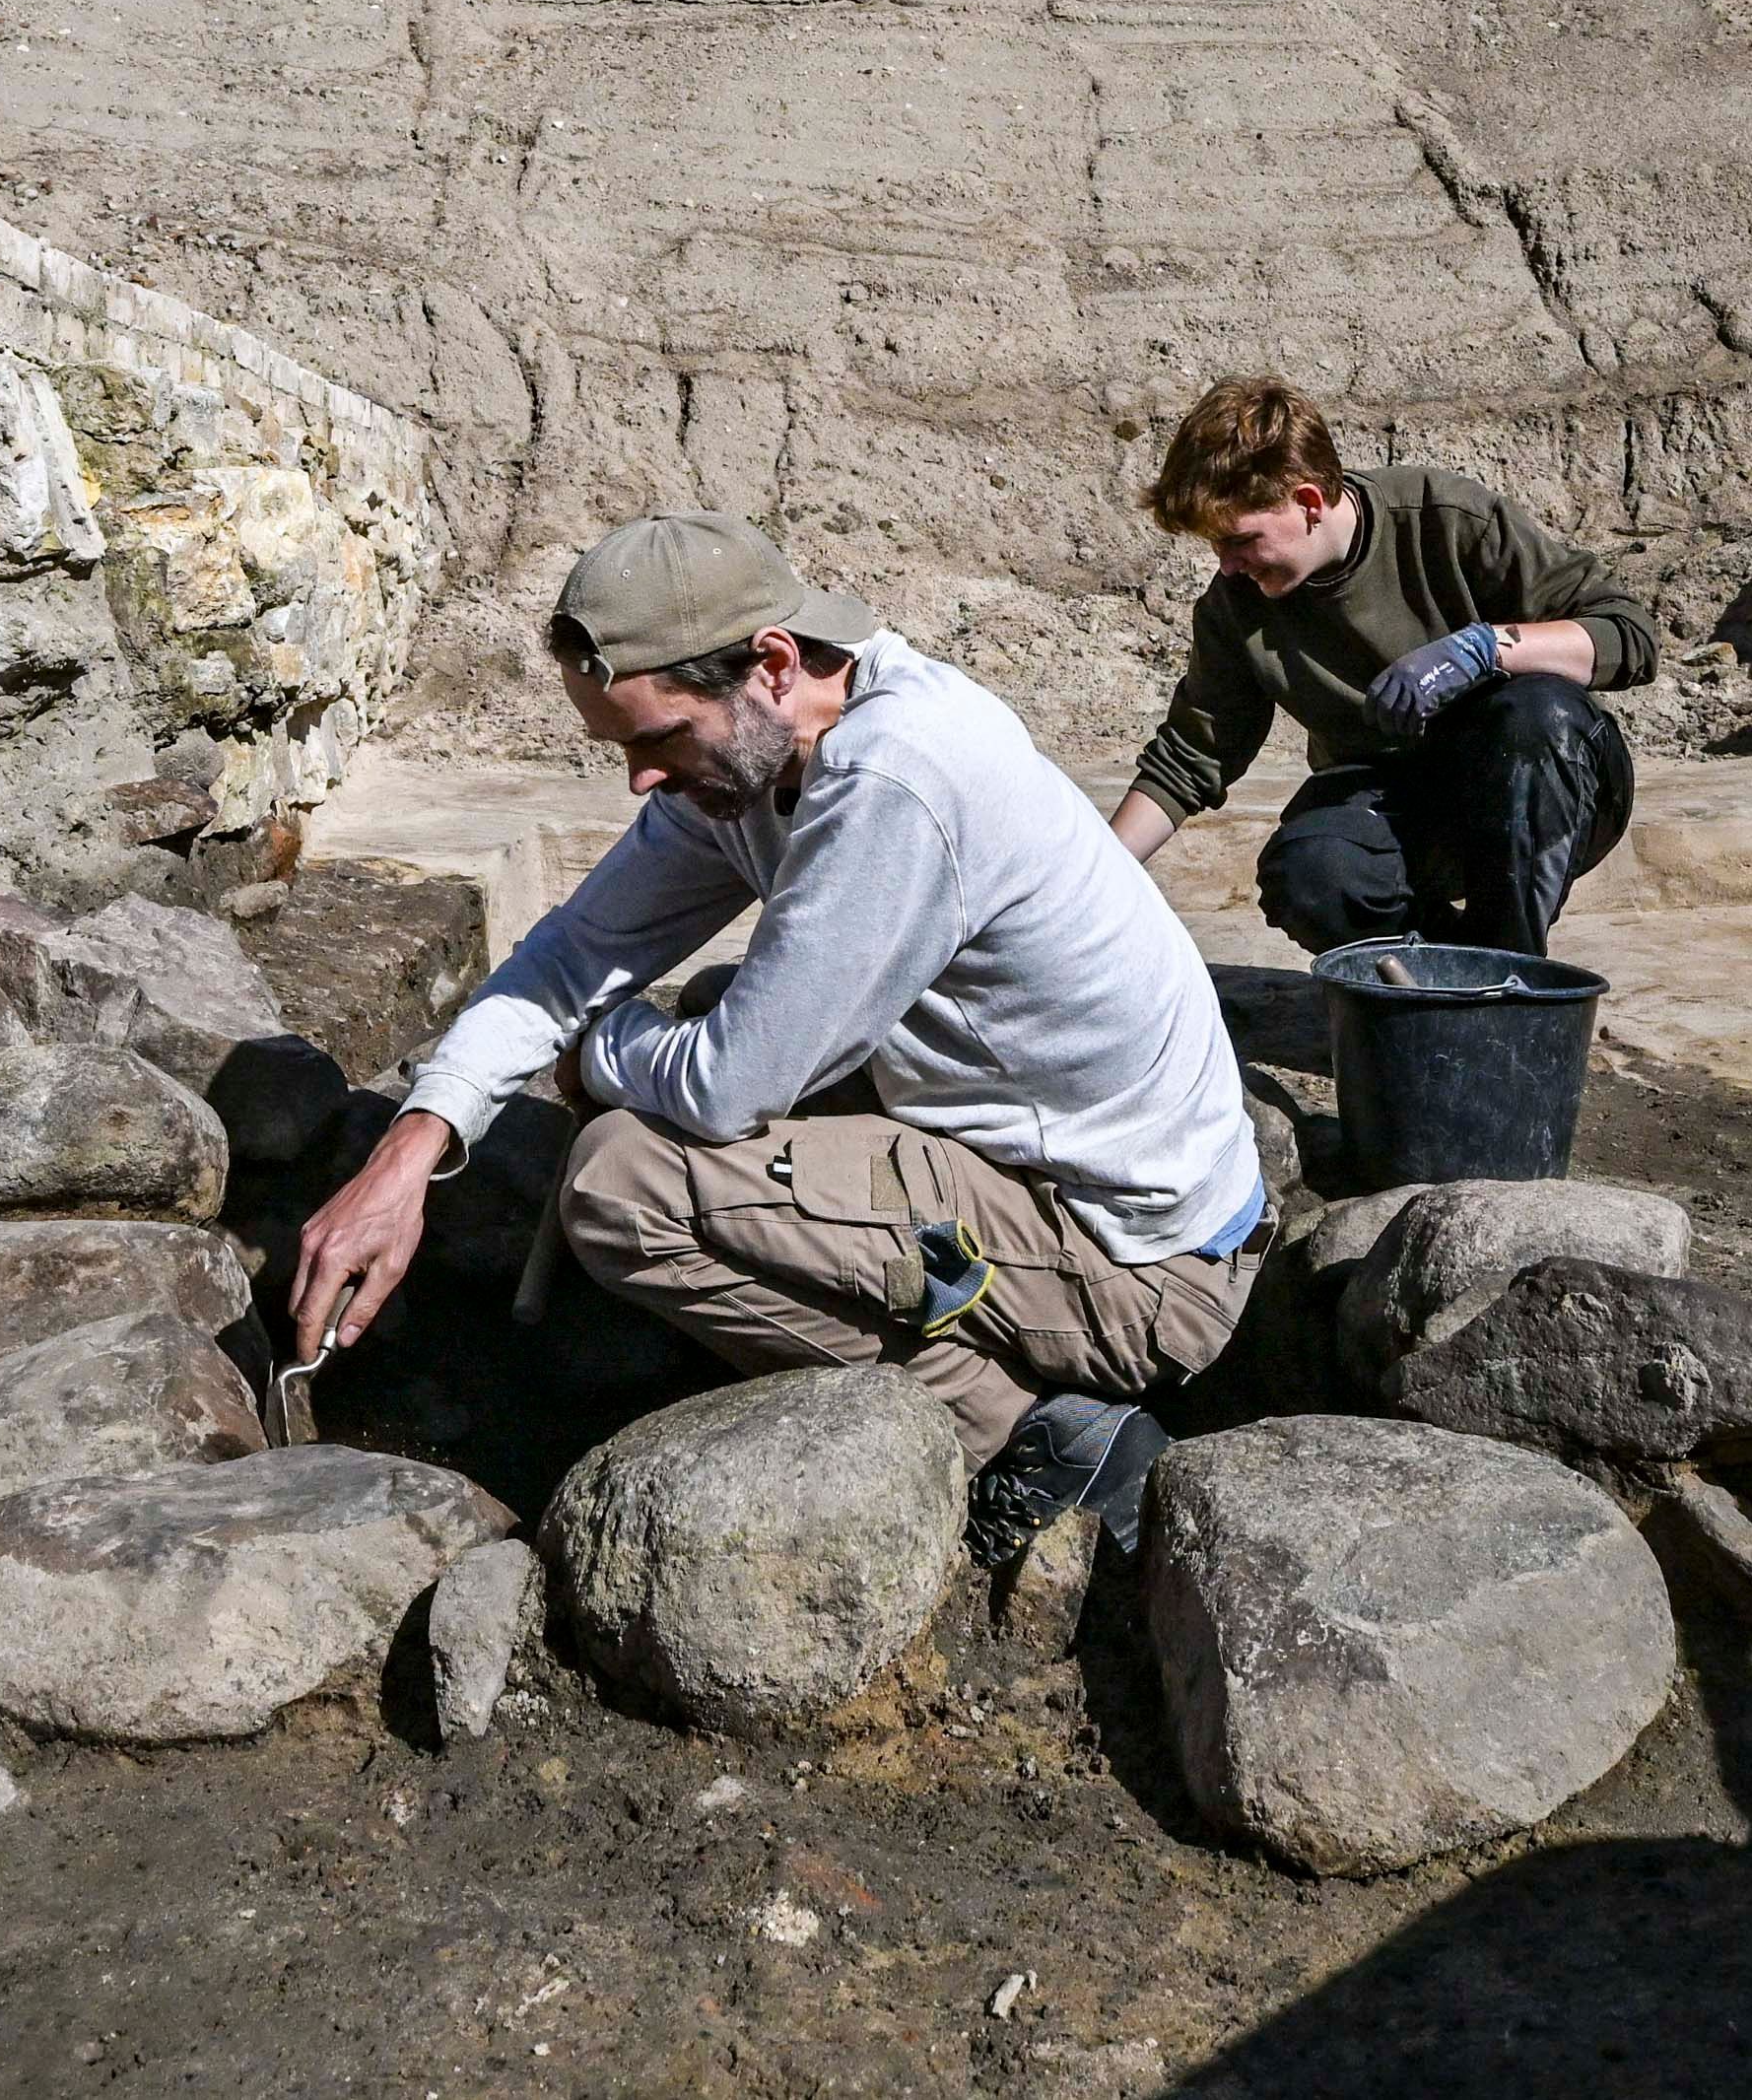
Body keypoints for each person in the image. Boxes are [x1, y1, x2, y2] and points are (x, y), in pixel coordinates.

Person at [286, 511, 1266, 1563]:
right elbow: (574, 954)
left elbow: (723, 1091)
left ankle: (1027, 1435)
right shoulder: (756, 757)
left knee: (620, 1182)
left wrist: (597, 1057)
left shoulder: (897, 773)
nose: (638, 781)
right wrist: (408, 1150)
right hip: (1047, 1168)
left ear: (771, 664)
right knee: (715, 1015)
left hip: (1137, 1264)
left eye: (656, 739)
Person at [1103, 378, 1651, 955]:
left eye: (1240, 540)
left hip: (1541, 786)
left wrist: (1484, 649)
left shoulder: (1446, 519)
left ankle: (1509, 972)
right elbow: (1189, 760)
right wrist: (1099, 874)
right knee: (1311, 876)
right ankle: (1444, 971)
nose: (1228, 565)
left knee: (1539, 714)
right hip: (1398, 806)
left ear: (1310, 503)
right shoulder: (1236, 606)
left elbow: (1629, 634)